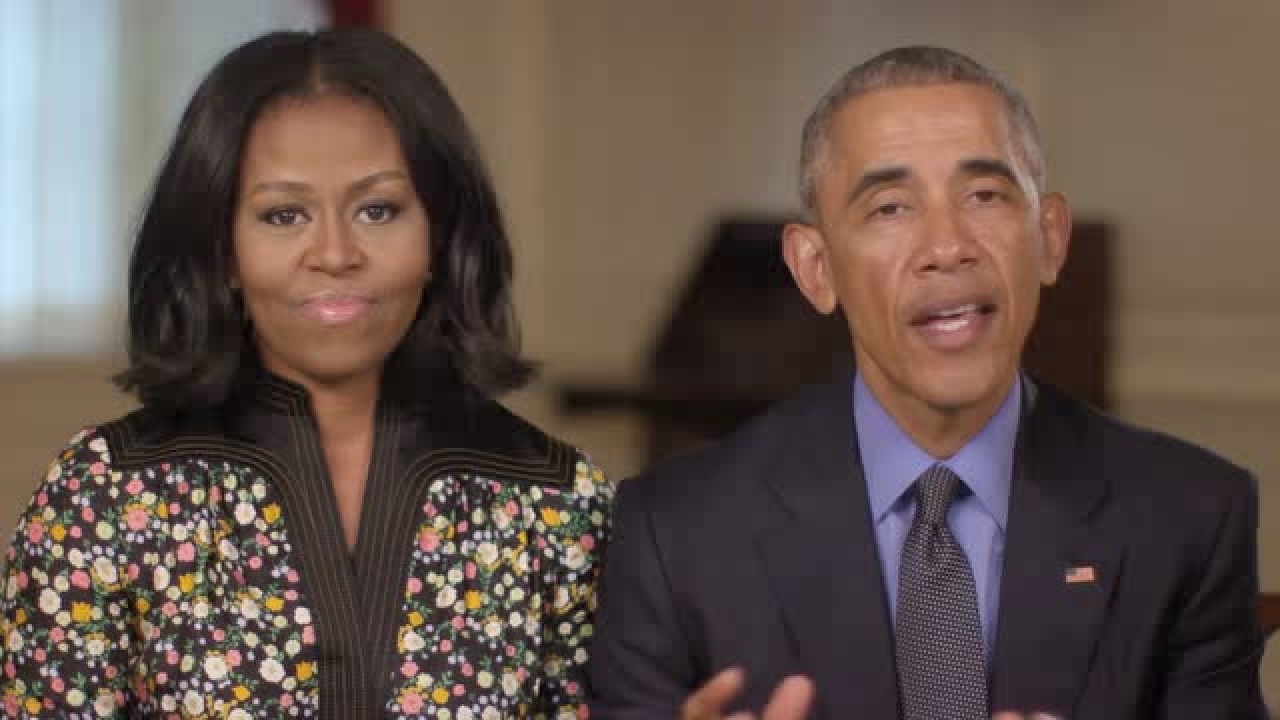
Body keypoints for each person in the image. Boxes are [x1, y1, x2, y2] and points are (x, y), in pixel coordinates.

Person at [588, 45, 1264, 719]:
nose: (947, 247)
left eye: (984, 196)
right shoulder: (673, 532)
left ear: (1050, 238)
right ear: (816, 268)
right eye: (890, 208)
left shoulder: (1189, 516)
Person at [0, 28, 612, 719]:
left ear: (439, 236)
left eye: (378, 210)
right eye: (283, 214)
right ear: (222, 249)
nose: (335, 252)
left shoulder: (556, 502)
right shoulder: (105, 494)